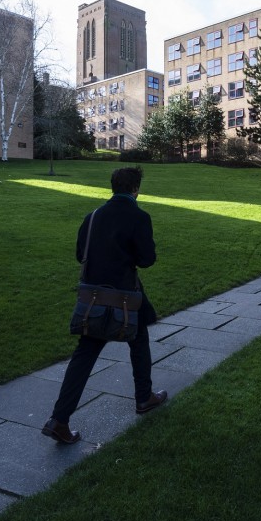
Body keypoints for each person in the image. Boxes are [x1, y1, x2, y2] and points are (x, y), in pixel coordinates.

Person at [42, 166, 167, 444]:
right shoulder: (139, 217)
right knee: (139, 341)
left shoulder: (93, 216)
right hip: (125, 298)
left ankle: (59, 419)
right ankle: (144, 397)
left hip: (93, 300)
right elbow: (147, 259)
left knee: (85, 354)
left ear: (113, 187)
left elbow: (80, 255)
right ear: (136, 189)